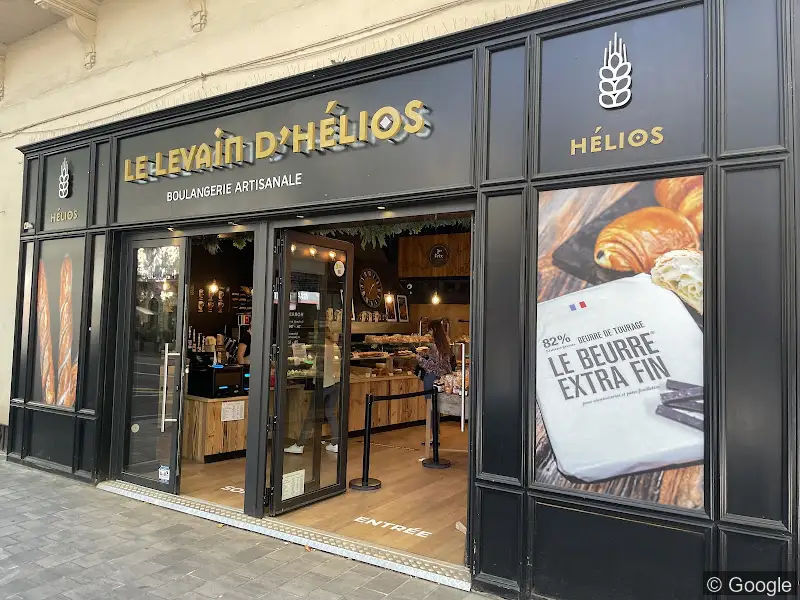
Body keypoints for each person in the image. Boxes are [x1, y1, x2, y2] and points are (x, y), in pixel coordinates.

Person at [285, 319, 342, 454]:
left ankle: (300, 445)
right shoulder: (334, 346)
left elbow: (315, 369)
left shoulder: (321, 347)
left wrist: (300, 366)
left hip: (323, 385)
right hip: (336, 384)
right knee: (330, 413)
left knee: (311, 416)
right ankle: (335, 443)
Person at [416, 318, 454, 391]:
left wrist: (419, 358)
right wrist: (427, 353)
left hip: (433, 378)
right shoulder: (444, 343)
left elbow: (433, 366)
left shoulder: (434, 346)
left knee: (430, 401)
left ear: (434, 330)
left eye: (430, 330)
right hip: (444, 377)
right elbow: (441, 360)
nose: (429, 332)